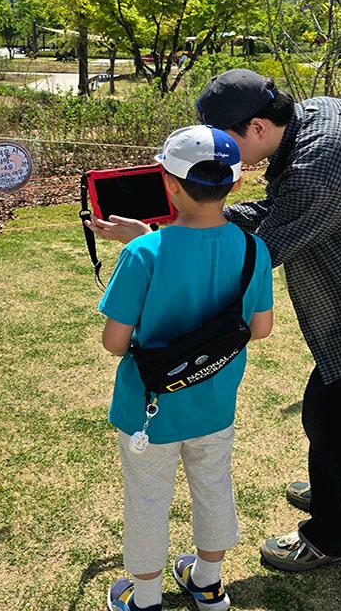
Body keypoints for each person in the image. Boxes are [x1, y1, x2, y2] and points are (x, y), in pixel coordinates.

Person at [90, 69, 341, 572]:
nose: (216, 153)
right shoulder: (313, 118)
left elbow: (255, 253)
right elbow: (275, 211)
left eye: (221, 140)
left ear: (256, 127)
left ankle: (336, 535)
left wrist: (163, 242)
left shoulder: (321, 168)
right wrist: (186, 226)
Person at [99, 124, 275, 611]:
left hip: (148, 408)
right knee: (214, 487)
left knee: (147, 498)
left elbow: (114, 342)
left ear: (168, 182)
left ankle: (145, 599)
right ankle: (208, 583)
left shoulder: (143, 253)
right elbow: (260, 329)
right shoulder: (253, 248)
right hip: (214, 403)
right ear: (236, 182)